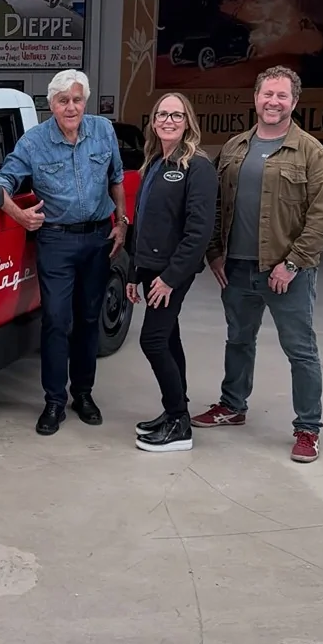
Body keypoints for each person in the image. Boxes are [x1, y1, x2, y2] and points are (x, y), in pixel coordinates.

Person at [192, 66, 323, 462]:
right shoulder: (236, 147)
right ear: (255, 98)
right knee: (238, 340)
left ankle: (308, 428)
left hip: (286, 272)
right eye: (267, 94)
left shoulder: (311, 152)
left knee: (300, 350)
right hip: (237, 268)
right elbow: (218, 206)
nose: (273, 101)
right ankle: (232, 406)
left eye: (282, 95)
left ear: (294, 102)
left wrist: (291, 264)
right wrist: (215, 252)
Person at [0, 69, 128, 435]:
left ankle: (83, 394)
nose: (71, 107)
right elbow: (0, 185)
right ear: (50, 104)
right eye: (63, 100)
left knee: (88, 319)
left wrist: (123, 222)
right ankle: (54, 401)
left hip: (98, 237)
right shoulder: (34, 142)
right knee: (56, 321)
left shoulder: (102, 130)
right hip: (56, 241)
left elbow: (116, 177)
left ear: (86, 100)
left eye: (77, 99)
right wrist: (20, 216)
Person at [125, 94, 217, 453]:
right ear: (153, 121)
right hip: (148, 268)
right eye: (162, 114)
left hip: (171, 272)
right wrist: (134, 273)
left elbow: (199, 230)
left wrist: (171, 278)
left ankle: (179, 423)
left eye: (176, 114)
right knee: (169, 337)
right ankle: (172, 411)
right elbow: (143, 223)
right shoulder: (154, 163)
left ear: (188, 121)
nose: (168, 119)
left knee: (153, 340)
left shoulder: (197, 166)